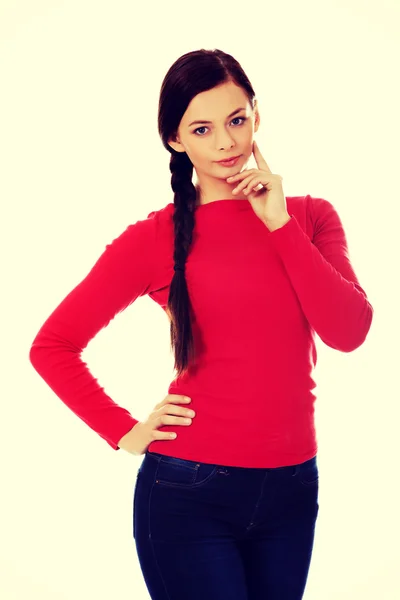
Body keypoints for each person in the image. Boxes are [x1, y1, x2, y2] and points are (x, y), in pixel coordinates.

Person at [29, 48, 374, 600]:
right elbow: (53, 345)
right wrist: (124, 430)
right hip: (188, 491)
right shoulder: (155, 237)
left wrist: (279, 223)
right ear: (175, 140)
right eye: (202, 128)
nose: (226, 143)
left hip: (292, 487)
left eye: (237, 120)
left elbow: (349, 331)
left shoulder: (309, 217)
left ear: (257, 115)